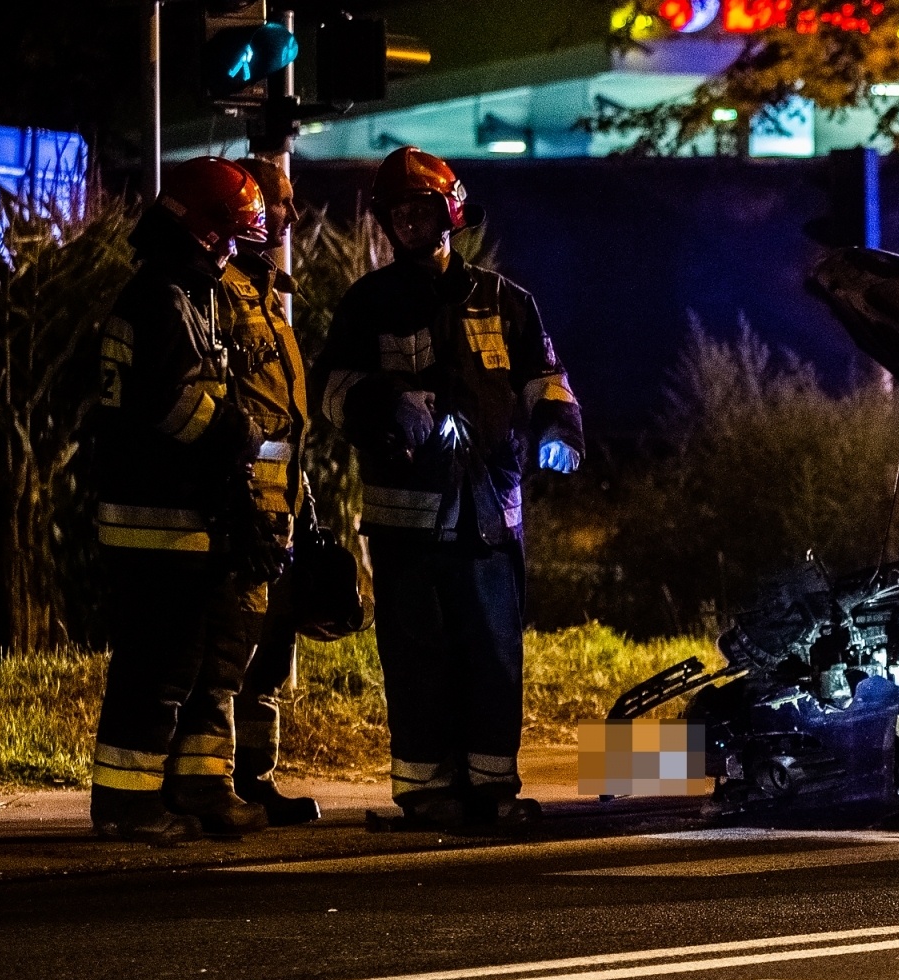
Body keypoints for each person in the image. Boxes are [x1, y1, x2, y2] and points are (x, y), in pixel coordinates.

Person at [312, 147, 583, 831]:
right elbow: (330, 394)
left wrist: (560, 430)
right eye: (397, 211)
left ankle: (493, 787)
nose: (407, 221)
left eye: (420, 208)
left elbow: (547, 382)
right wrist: (384, 403)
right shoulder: (369, 303)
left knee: (493, 653)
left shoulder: (505, 300)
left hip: (490, 517)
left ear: (449, 211)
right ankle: (426, 789)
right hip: (407, 523)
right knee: (417, 656)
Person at [90, 156, 287, 843]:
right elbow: (179, 406)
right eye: (228, 235)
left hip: (166, 517)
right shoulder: (165, 298)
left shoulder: (165, 291)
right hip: (161, 519)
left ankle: (162, 796)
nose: (232, 250)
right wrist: (243, 431)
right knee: (157, 669)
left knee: (180, 662)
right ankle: (128, 805)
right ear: (203, 230)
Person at [167, 155, 322, 828]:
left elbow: (282, 412)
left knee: (269, 651)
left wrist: (301, 498)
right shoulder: (217, 291)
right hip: (239, 500)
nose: (288, 214)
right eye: (278, 201)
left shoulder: (265, 290)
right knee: (227, 650)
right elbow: (220, 405)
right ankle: (206, 784)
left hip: (279, 497)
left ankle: (255, 778)